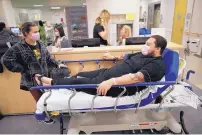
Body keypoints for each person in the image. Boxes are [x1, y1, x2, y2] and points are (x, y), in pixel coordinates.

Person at [35, 35, 167, 97]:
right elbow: (127, 56)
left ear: (158, 49)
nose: (145, 46)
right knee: (80, 74)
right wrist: (113, 57)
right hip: (108, 73)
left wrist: (111, 81)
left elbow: (136, 78)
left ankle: (50, 83)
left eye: (149, 44)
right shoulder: (144, 54)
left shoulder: (157, 65)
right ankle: (59, 84)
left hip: (118, 86)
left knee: (78, 80)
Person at [2, 22, 66, 124]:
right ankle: (43, 118)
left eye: (38, 31)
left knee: (47, 98)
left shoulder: (40, 43)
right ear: (26, 33)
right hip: (30, 78)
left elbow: (48, 57)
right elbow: (6, 59)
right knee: (39, 100)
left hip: (44, 76)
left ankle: (48, 114)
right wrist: (21, 68)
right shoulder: (19, 47)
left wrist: (58, 64)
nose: (37, 34)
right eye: (34, 32)